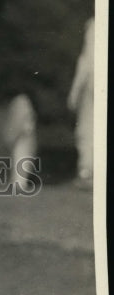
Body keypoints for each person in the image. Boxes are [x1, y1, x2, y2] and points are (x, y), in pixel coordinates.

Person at [67, 16, 94, 187]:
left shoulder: (93, 26)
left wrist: (74, 92)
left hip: (93, 83)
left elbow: (86, 61)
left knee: (87, 127)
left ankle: (87, 170)